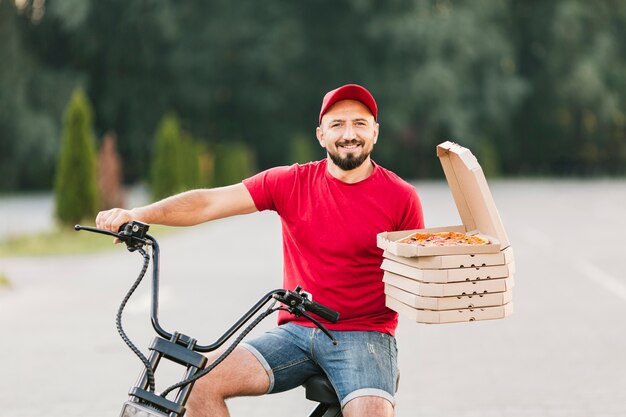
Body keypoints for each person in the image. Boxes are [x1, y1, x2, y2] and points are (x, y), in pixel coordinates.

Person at [96, 84, 424, 417]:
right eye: (337, 124)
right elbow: (209, 202)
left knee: (370, 412)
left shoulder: (401, 197)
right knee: (198, 382)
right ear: (321, 134)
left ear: (375, 133)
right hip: (297, 330)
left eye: (360, 123)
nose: (349, 133)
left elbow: (418, 274)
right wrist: (137, 215)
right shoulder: (291, 182)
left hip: (365, 334)